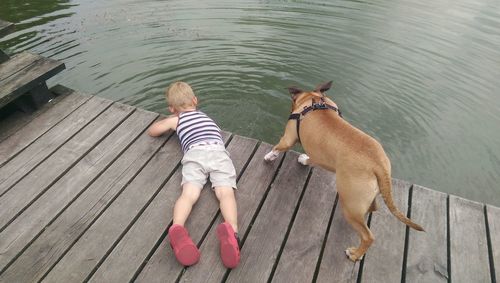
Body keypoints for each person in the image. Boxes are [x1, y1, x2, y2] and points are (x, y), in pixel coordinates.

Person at [148, 81, 240, 268]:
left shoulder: (176, 119)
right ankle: (233, 231)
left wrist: (169, 120)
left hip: (195, 153)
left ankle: (178, 227)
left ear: (172, 108)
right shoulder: (206, 117)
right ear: (195, 100)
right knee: (225, 193)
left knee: (189, 195)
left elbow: (153, 131)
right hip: (217, 152)